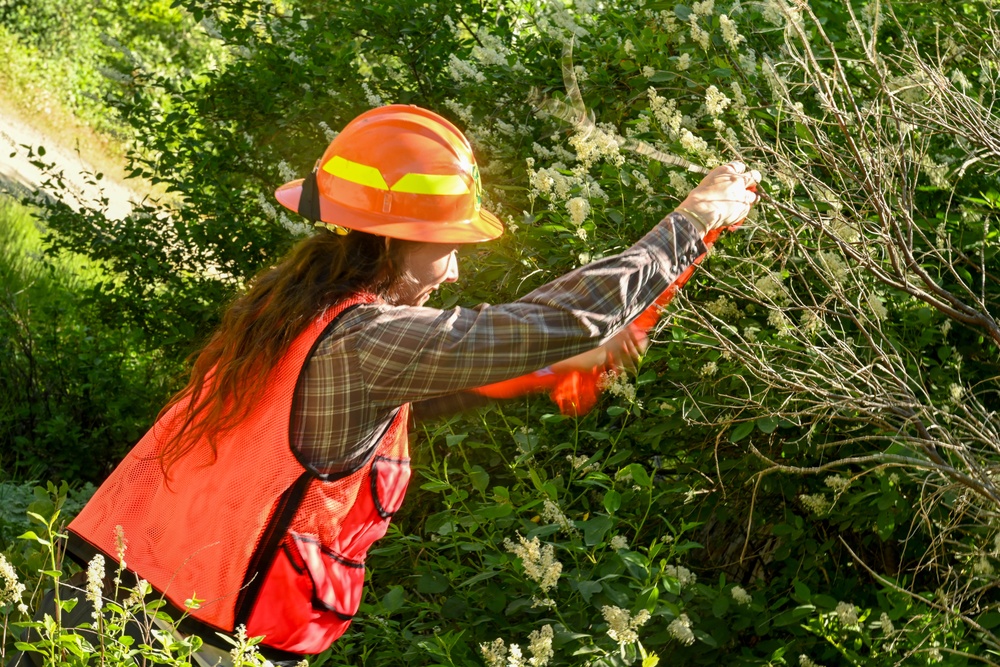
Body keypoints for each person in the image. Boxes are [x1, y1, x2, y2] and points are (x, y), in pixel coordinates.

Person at [48, 105, 759, 665]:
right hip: (171, 638)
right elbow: (553, 321)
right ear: (393, 242)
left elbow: (399, 401)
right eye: (447, 247)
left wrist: (551, 370)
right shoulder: (367, 339)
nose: (454, 271)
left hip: (93, 590)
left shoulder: (296, 313)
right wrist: (691, 223)